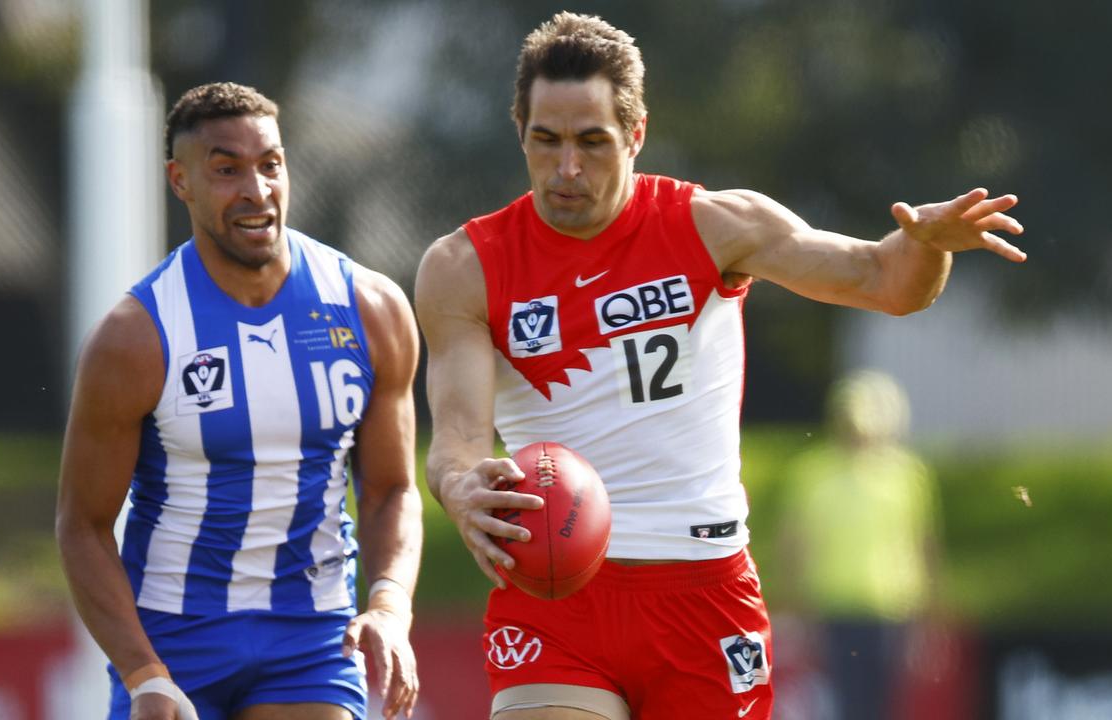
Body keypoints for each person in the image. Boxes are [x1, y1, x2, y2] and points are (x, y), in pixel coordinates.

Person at [413, 11, 1024, 720]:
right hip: (555, 591)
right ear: (519, 127)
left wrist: (928, 245)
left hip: (704, 595)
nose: (567, 168)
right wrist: (460, 489)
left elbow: (884, 282)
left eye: (592, 142)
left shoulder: (713, 225)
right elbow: (455, 439)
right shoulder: (464, 267)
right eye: (545, 141)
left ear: (636, 134)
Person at [56, 82, 422, 720]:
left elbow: (392, 489)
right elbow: (83, 526)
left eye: (270, 165)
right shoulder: (136, 337)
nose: (257, 191)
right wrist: (143, 674)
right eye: (227, 170)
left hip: (312, 634)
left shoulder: (371, 309)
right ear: (181, 181)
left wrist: (390, 607)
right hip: (174, 637)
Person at [775, 370, 939, 720]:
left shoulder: (907, 473)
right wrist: (796, 606)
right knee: (846, 702)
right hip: (832, 607)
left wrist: (927, 611)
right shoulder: (813, 471)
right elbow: (795, 545)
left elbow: (923, 544)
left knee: (883, 704)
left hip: (892, 608)